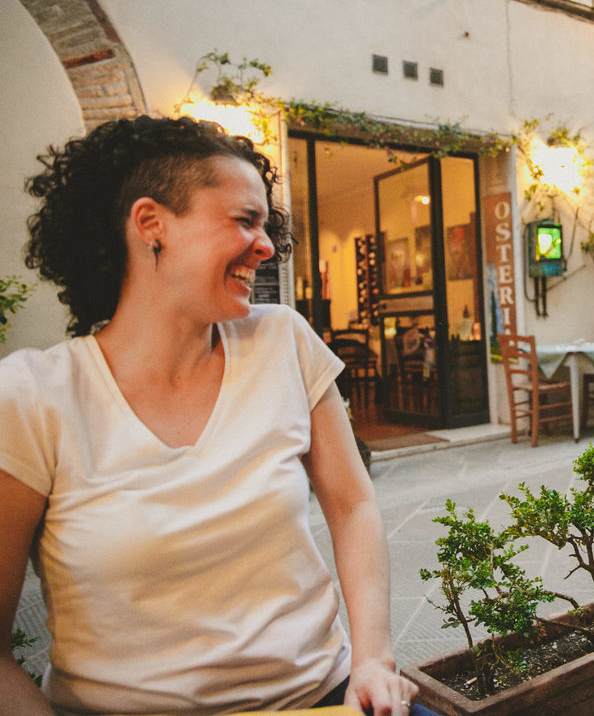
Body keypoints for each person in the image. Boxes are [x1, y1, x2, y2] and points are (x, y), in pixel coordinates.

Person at [0, 117, 428, 715]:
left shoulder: (282, 341)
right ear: (151, 225)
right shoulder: (33, 396)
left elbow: (352, 505)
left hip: (319, 700)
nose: (268, 245)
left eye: (265, 223)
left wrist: (373, 659)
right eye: (244, 220)